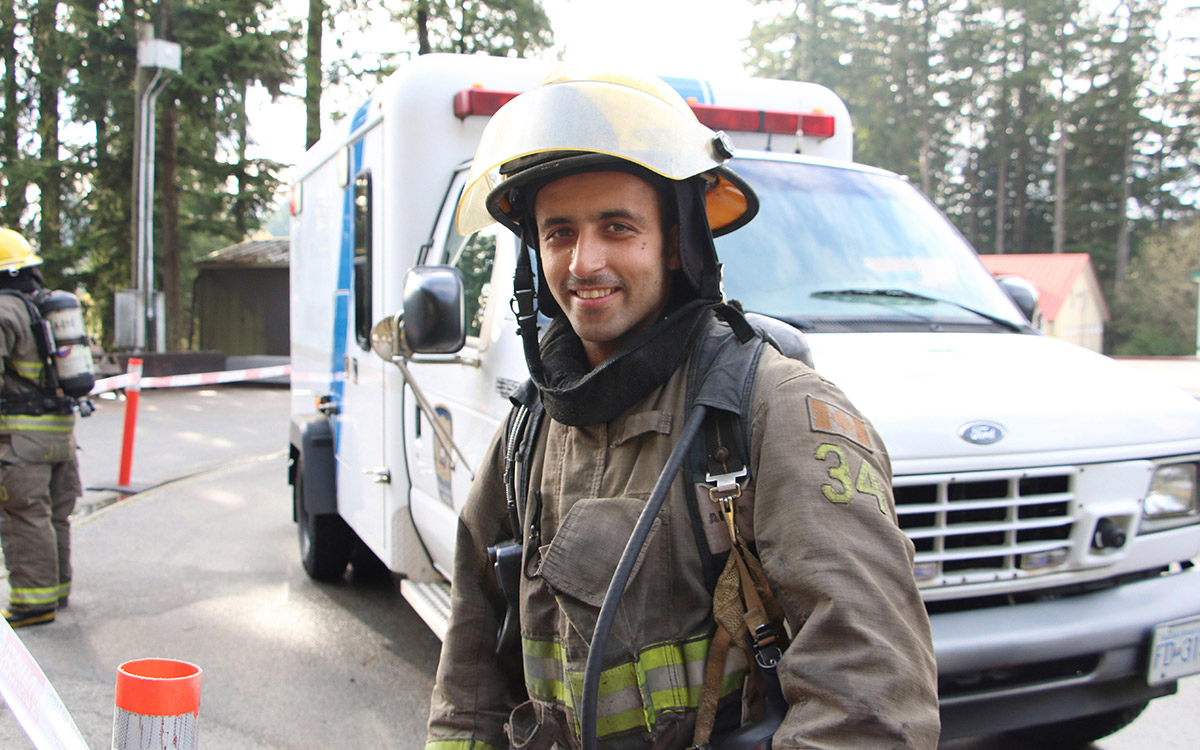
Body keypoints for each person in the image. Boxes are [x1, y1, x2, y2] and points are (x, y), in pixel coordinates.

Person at [426, 70, 940, 749]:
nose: (584, 261)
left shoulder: (773, 413)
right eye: (559, 233)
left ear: (677, 244)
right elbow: (468, 680)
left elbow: (870, 703)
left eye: (617, 227)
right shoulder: (528, 431)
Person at [0, 228, 81, 627]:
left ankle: (33, 604)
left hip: (21, 441)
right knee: (55, 515)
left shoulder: (2, 311)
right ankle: (57, 590)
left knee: (25, 516)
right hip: (61, 435)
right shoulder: (43, 307)